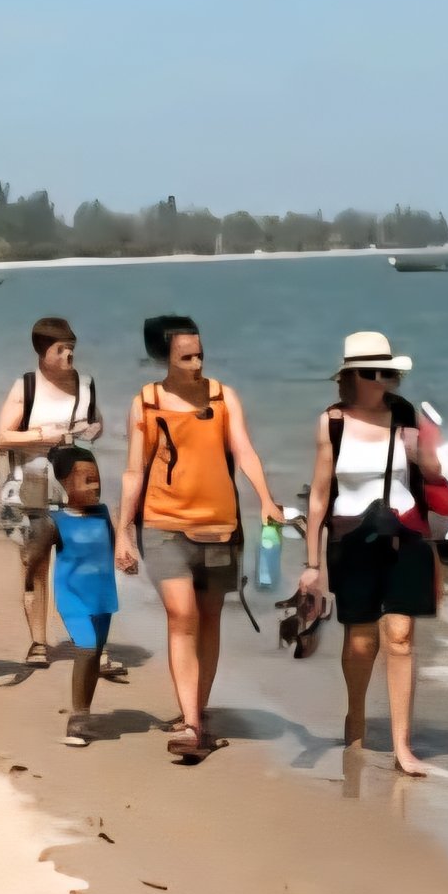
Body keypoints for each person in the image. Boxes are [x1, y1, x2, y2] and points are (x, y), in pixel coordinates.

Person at [113, 312, 282, 766]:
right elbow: (134, 471)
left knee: (209, 619)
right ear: (163, 357)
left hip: (221, 527)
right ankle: (191, 725)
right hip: (163, 524)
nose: (197, 364)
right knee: (182, 615)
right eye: (186, 357)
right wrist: (123, 531)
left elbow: (243, 450)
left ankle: (195, 713)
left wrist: (266, 498)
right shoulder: (147, 403)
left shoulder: (224, 397)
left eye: (200, 355)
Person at [287, 328, 448, 778]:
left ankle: (402, 747)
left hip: (404, 535)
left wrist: (426, 448)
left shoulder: (406, 415)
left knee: (400, 636)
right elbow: (320, 494)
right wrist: (312, 563)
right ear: (354, 376)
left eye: (390, 372)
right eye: (376, 372)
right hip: (351, 538)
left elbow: (433, 474)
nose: (387, 380)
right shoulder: (333, 422)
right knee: (361, 642)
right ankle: (356, 718)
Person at [0, 316, 104, 662]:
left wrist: (89, 431)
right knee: (35, 565)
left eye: (71, 348)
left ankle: (87, 641)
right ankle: (38, 642)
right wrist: (45, 435)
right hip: (31, 484)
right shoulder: (26, 386)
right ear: (42, 352)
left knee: (80, 564)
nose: (68, 355)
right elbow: (2, 437)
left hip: (76, 484)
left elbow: (97, 424)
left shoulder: (85, 384)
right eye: (61, 349)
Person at [24, 447, 120, 746]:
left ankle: (85, 710)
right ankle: (77, 719)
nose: (95, 486)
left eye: (97, 479)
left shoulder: (103, 515)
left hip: (103, 598)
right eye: (86, 480)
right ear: (65, 483)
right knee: (87, 648)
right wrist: (29, 580)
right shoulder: (56, 521)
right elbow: (35, 555)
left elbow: (114, 546)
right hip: (72, 599)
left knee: (93, 656)